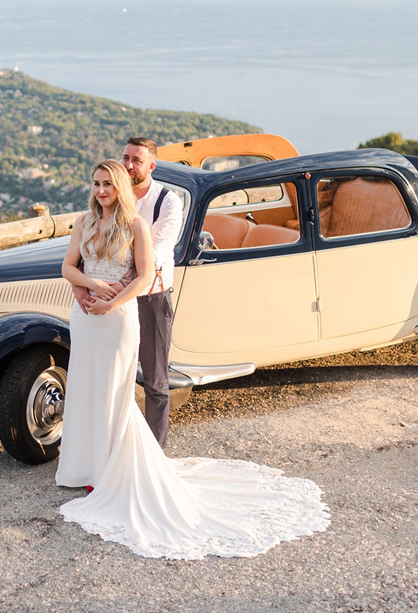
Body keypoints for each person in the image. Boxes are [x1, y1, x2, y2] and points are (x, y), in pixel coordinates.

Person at [56, 160, 330, 560]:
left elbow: (145, 276)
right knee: (85, 388)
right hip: (85, 318)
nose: (100, 191)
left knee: (114, 393)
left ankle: (110, 473)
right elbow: (67, 267)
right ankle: (80, 466)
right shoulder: (84, 221)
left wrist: (111, 302)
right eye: (95, 184)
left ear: (119, 186)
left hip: (116, 319)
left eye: (107, 185)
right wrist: (88, 289)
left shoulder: (135, 227)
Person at [72, 136, 182, 448]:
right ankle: (112, 448)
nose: (129, 164)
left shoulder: (167, 202)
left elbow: (157, 252)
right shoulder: (108, 196)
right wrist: (81, 289)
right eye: (125, 157)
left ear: (151, 166)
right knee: (110, 379)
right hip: (107, 300)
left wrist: (120, 288)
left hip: (149, 296)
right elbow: (86, 251)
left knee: (155, 378)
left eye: (136, 160)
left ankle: (152, 451)